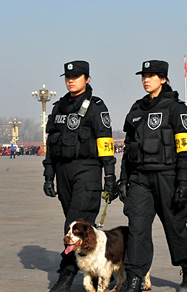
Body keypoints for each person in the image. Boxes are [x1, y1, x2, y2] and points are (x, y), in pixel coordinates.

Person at [117, 60, 187, 292]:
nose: (146, 80)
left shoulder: (176, 108)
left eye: (151, 76)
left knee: (175, 227)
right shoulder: (136, 109)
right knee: (137, 229)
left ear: (163, 79)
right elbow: (129, 147)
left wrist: (184, 183)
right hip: (140, 179)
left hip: (168, 177)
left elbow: (185, 149)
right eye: (144, 76)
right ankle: (134, 277)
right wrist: (124, 179)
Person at [43, 60, 118, 292]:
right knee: (84, 228)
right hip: (63, 173)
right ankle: (102, 269)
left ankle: (66, 276)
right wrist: (48, 175)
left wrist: (109, 175)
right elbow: (50, 145)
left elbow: (105, 142)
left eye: (76, 77)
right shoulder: (58, 108)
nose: (71, 81)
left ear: (87, 78)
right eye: (68, 77)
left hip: (87, 171)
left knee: (71, 226)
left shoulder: (96, 107)